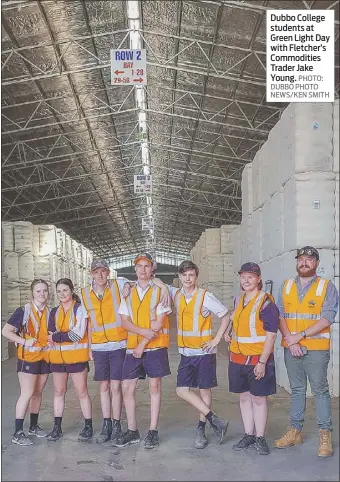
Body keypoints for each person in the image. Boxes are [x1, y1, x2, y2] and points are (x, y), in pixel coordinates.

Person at [155, 260, 230, 449]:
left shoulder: (205, 296)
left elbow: (226, 316)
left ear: (196, 277)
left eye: (191, 275)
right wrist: (164, 289)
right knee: (182, 390)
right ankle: (215, 420)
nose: (188, 279)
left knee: (205, 390)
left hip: (204, 353)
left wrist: (216, 340)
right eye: (184, 275)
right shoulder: (177, 294)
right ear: (180, 277)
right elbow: (154, 280)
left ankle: (201, 429)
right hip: (186, 353)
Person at [274, 246, 339, 457]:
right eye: (301, 259)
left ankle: (325, 434)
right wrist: (291, 342)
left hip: (316, 349)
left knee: (320, 391)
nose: (304, 263)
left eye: (309, 260)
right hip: (291, 348)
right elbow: (280, 316)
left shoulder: (327, 287)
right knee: (297, 389)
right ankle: (295, 431)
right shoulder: (285, 286)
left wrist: (299, 336)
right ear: (297, 262)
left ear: (317, 263)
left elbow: (327, 318)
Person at [117, 253, 172, 450]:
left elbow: (158, 322)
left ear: (152, 268)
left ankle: (153, 431)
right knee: (127, 388)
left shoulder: (160, 291)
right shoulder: (127, 291)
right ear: (135, 269)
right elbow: (124, 321)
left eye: (146, 266)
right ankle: (132, 431)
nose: (143, 269)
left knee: (154, 388)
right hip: (133, 346)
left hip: (154, 347)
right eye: (139, 266)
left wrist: (142, 344)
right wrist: (140, 335)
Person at [225, 262, 279, 456]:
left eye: (250, 276)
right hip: (238, 359)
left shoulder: (266, 302)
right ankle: (249, 434)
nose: (246, 280)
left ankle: (260, 437)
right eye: (243, 277)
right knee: (244, 398)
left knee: (258, 399)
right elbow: (236, 320)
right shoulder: (239, 300)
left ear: (258, 279)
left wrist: (263, 362)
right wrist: (229, 333)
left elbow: (271, 335)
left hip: (257, 360)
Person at [80, 259, 132, 445]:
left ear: (108, 272)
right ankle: (106, 424)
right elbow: (88, 324)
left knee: (116, 386)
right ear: (91, 273)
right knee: (103, 386)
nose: (100, 275)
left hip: (118, 344)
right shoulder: (85, 294)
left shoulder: (118, 285)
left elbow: (136, 282)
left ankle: (117, 424)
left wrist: (128, 285)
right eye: (96, 272)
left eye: (103, 271)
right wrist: (89, 349)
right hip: (99, 347)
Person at [2, 279, 51, 446]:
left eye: (45, 290)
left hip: (44, 358)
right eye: (38, 291)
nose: (42, 294)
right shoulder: (23, 311)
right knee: (27, 393)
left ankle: (33, 426)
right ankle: (18, 432)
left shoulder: (49, 312)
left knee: (38, 393)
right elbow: (6, 331)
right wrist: (23, 342)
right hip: (27, 359)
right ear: (32, 293)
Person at [46, 278, 92, 442]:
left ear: (72, 290)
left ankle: (88, 426)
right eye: (59, 291)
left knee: (82, 392)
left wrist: (58, 336)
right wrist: (60, 336)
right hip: (57, 360)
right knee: (58, 392)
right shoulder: (54, 312)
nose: (62, 294)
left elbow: (77, 335)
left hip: (77, 358)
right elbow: (49, 336)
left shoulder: (80, 309)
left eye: (65, 290)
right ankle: (56, 427)